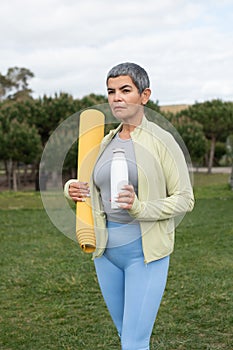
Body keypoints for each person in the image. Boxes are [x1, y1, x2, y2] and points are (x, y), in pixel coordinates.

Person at [64, 62, 194, 350]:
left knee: (135, 342)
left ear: (144, 95)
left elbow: (186, 199)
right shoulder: (104, 142)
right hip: (105, 252)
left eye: (125, 90)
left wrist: (139, 207)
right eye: (111, 92)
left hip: (144, 255)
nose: (116, 98)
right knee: (125, 335)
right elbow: (94, 187)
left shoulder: (162, 141)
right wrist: (71, 188)